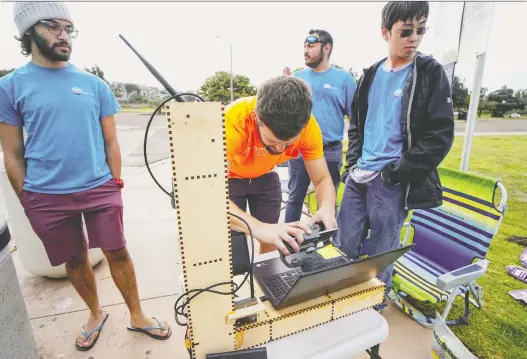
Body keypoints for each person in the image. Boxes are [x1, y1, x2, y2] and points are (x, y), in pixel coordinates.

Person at [0, 2, 171, 351]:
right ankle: (95, 313)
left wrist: (115, 184)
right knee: (74, 259)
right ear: (29, 31)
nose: (64, 36)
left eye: (69, 29)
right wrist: (28, 200)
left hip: (99, 188)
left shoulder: (93, 85)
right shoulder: (11, 87)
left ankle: (137, 315)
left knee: (118, 252)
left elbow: (111, 142)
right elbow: (13, 153)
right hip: (45, 196)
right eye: (53, 27)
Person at [334, 1, 455, 311]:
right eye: (406, 31)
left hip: (392, 180)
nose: (414, 38)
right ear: (385, 32)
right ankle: (341, 303)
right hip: (360, 175)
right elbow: (358, 126)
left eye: (421, 30)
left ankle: (373, 310)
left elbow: (440, 135)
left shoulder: (430, 73)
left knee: (381, 253)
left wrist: (396, 173)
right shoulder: (370, 75)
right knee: (344, 243)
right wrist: (351, 165)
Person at [226, 75, 337, 255]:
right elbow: (210, 194)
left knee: (272, 240)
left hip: (265, 175)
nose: (279, 148)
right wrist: (258, 228)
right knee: (230, 246)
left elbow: (322, 178)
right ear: (257, 118)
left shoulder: (309, 127)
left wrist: (326, 208)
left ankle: (265, 277)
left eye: (288, 144)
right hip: (230, 178)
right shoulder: (233, 122)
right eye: (272, 141)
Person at [284, 29, 357, 223]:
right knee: (294, 199)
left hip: (330, 152)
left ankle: (328, 245)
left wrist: (354, 154)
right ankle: (289, 247)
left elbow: (355, 119)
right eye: (305, 46)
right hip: (299, 151)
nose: (305, 50)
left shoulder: (344, 79)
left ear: (326, 48)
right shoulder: (297, 77)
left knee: (328, 202)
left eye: (311, 46)